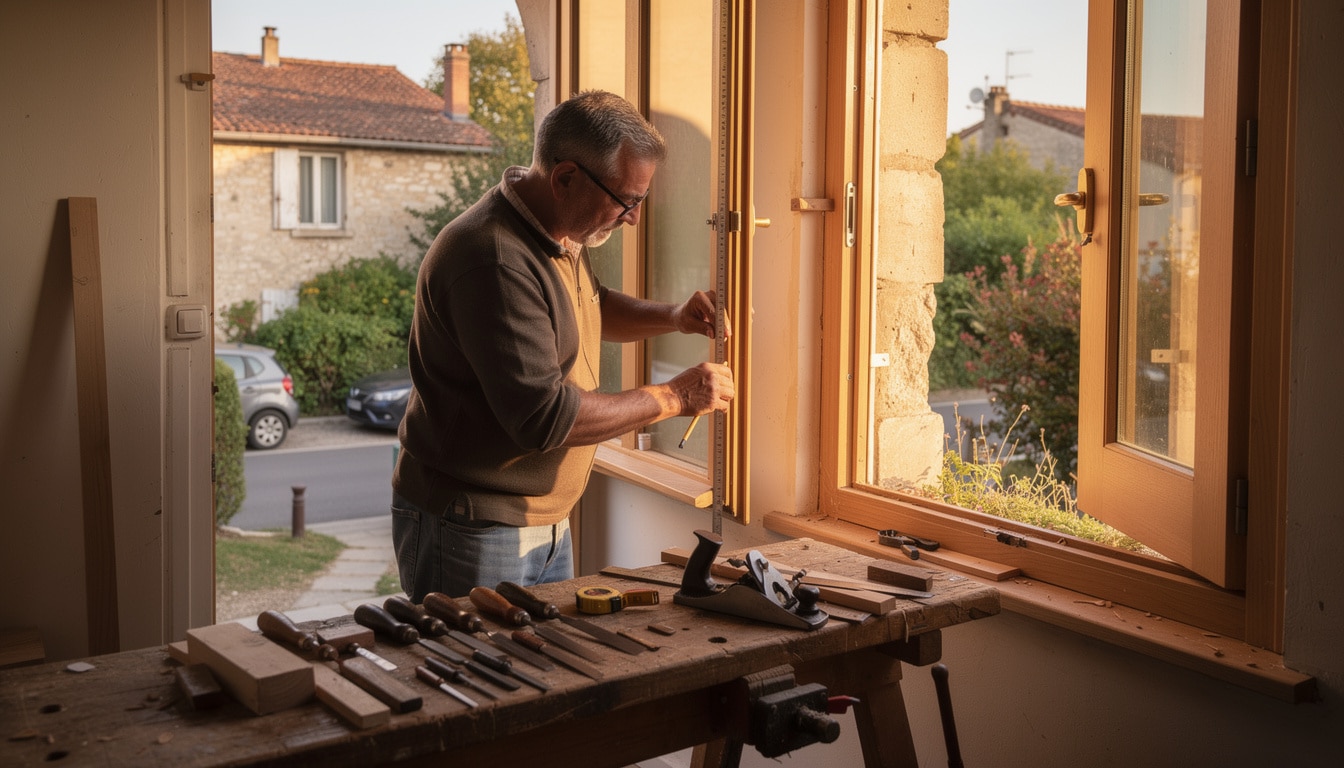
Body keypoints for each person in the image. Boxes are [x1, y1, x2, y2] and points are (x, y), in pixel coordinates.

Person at [391, 90, 735, 601]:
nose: (633, 218)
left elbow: (589, 305)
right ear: (566, 178)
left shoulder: (557, 231)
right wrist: (675, 397)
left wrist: (673, 317)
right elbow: (545, 418)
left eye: (639, 201)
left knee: (541, 655)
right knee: (475, 655)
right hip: (473, 524)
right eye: (626, 200)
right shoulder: (494, 257)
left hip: (543, 519)